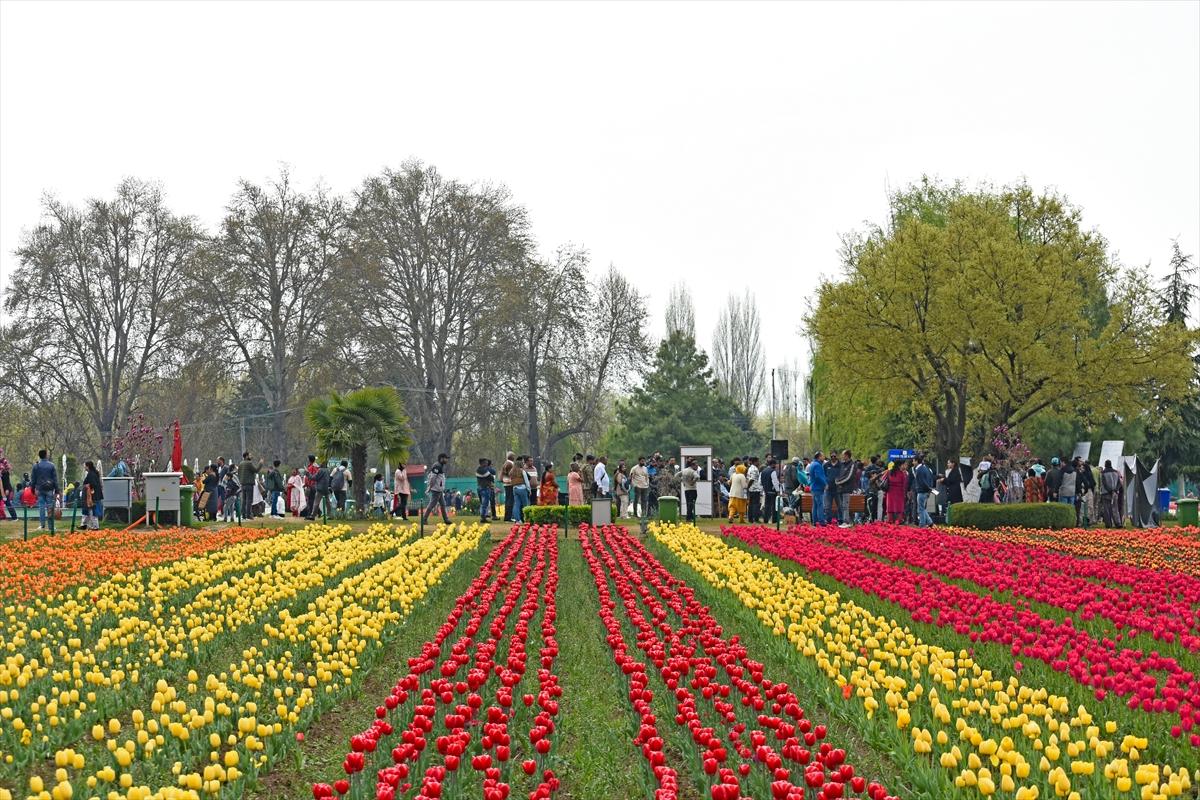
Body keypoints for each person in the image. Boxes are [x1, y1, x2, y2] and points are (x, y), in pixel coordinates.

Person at [31, 449, 58, 532]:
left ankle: (42, 525)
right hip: (49, 489)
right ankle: (51, 526)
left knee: (41, 507)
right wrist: (57, 490)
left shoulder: (36, 466)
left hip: (40, 489)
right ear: (46, 455)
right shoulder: (51, 465)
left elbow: (33, 479)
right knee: (50, 507)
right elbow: (55, 479)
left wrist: (33, 489)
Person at [421, 453, 452, 525]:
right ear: (441, 458)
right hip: (436, 489)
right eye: (446, 458)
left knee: (443, 504)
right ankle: (424, 519)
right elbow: (433, 478)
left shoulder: (440, 465)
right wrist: (430, 487)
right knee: (432, 504)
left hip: (439, 489)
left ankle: (446, 519)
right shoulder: (437, 466)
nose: (447, 460)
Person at [833, 450, 856, 526]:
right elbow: (838, 474)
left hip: (846, 488)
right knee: (842, 506)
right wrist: (837, 480)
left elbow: (849, 477)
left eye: (843, 455)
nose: (842, 456)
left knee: (845, 505)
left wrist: (839, 482)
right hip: (840, 488)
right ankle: (844, 520)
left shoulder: (852, 464)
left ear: (847, 455)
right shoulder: (842, 464)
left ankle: (846, 521)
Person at [238, 451, 261, 520]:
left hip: (243, 484)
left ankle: (243, 515)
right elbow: (256, 470)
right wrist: (260, 464)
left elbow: (239, 473)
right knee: (249, 500)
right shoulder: (249, 463)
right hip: (249, 484)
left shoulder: (241, 463)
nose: (251, 456)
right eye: (250, 455)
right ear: (246, 456)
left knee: (244, 500)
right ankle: (248, 515)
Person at [913, 454, 934, 528]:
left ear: (916, 461)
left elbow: (922, 482)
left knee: (920, 509)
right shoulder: (926, 468)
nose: (913, 462)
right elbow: (930, 479)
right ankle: (930, 522)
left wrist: (928, 489)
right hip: (925, 491)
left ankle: (922, 524)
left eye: (913, 461)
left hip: (922, 491)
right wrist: (929, 489)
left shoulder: (919, 470)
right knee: (923, 508)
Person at [81, 460, 103, 530]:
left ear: (88, 466)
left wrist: (88, 486)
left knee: (93, 511)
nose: (84, 467)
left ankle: (95, 526)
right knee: (90, 510)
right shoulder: (94, 473)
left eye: (85, 466)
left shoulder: (91, 474)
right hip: (95, 495)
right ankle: (87, 525)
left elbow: (93, 484)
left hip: (93, 496)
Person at [1100, 459, 1122, 528]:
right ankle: (1118, 523)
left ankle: (1108, 524)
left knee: (1107, 509)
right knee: (1115, 508)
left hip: (1106, 493)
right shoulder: (1116, 472)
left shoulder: (1103, 473)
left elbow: (1104, 483)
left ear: (1105, 465)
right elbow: (1119, 483)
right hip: (1115, 493)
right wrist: (1115, 490)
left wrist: (1110, 490)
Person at [808, 451, 828, 525]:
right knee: (820, 505)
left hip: (813, 487)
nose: (824, 457)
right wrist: (825, 484)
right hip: (818, 487)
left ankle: (815, 521)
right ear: (819, 457)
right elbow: (818, 476)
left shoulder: (813, 464)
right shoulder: (817, 465)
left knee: (815, 505)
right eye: (823, 456)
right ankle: (821, 521)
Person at [509, 455, 532, 522]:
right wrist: (529, 489)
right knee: (526, 505)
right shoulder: (522, 471)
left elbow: (511, 480)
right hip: (522, 488)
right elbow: (526, 481)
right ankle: (527, 519)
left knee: (516, 505)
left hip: (515, 489)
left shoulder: (511, 471)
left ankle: (517, 520)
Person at [680, 458, 699, 522]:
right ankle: (688, 517)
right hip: (692, 489)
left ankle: (690, 516)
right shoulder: (693, 471)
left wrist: (683, 482)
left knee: (688, 503)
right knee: (691, 504)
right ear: (692, 465)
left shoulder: (684, 471)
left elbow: (676, 475)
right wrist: (693, 482)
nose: (697, 466)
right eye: (696, 465)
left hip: (686, 490)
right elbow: (697, 477)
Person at [500, 452, 517, 522]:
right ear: (511, 457)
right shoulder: (510, 464)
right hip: (509, 483)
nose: (514, 457)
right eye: (513, 456)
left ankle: (507, 517)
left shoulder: (506, 463)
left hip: (506, 483)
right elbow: (511, 474)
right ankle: (508, 517)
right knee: (510, 501)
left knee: (508, 500)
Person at [746, 457, 762, 523]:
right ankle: (756, 519)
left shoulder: (750, 468)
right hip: (755, 489)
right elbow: (752, 479)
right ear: (755, 462)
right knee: (755, 504)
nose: (759, 463)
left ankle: (750, 519)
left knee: (751, 504)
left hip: (751, 489)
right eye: (758, 461)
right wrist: (748, 486)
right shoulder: (754, 469)